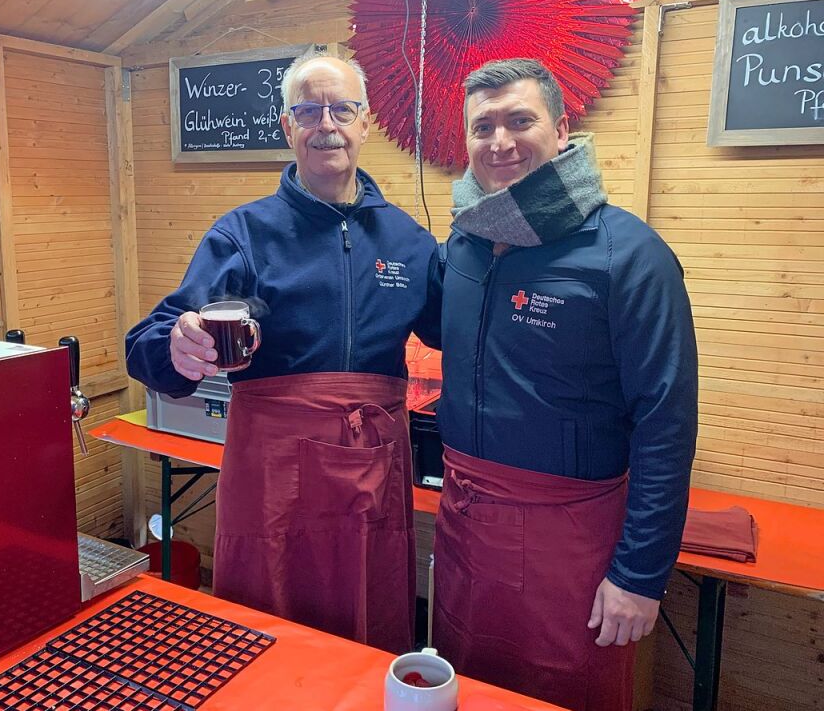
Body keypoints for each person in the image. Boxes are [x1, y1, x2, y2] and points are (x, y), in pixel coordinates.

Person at [125, 49, 442, 654]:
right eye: (309, 110)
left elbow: (459, 330)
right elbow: (149, 343)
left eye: (342, 109)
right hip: (273, 468)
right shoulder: (243, 234)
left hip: (376, 459)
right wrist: (179, 346)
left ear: (365, 123)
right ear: (286, 125)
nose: (327, 123)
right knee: (268, 627)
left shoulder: (408, 239)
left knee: (369, 615)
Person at [432, 58, 698, 711]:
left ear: (561, 128)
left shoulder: (629, 255)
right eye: (482, 126)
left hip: (571, 545)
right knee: (466, 682)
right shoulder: (463, 244)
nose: (500, 141)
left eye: (520, 120)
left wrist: (640, 575)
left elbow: (666, 423)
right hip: (464, 528)